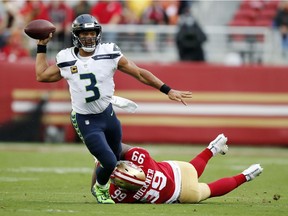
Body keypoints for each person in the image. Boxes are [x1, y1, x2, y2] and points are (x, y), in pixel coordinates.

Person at [34, 14, 192, 204]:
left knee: (115, 155)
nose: (88, 37)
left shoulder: (109, 52)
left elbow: (139, 73)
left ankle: (99, 168)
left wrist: (167, 90)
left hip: (108, 114)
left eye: (92, 33)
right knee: (109, 161)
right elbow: (42, 75)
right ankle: (100, 189)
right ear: (76, 36)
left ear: (98, 34)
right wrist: (41, 46)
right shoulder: (66, 58)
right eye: (84, 34)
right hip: (85, 119)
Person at [91, 134, 263, 204]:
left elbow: (95, 188)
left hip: (184, 195)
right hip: (178, 171)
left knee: (209, 190)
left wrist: (99, 164)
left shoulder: (118, 195)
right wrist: (104, 154)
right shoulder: (140, 157)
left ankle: (246, 175)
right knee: (192, 170)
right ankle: (212, 149)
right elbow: (118, 147)